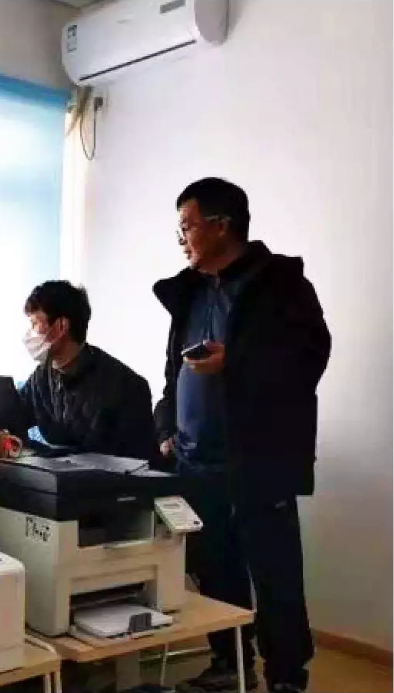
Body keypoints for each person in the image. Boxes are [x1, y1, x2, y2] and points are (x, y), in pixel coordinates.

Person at [153, 178, 331, 693]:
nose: (181, 238)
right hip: (195, 459)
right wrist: (165, 427)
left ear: (221, 225)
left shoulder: (280, 285)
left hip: (258, 459)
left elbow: (309, 359)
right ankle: (230, 664)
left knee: (275, 574)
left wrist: (237, 361)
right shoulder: (189, 293)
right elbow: (172, 374)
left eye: (186, 226)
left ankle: (286, 677)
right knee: (215, 570)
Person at [18, 279, 159, 462]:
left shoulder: (126, 386)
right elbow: (12, 417)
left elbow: (141, 465)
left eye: (35, 323)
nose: (30, 333)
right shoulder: (40, 379)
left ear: (61, 326)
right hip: (55, 475)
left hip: (108, 478)